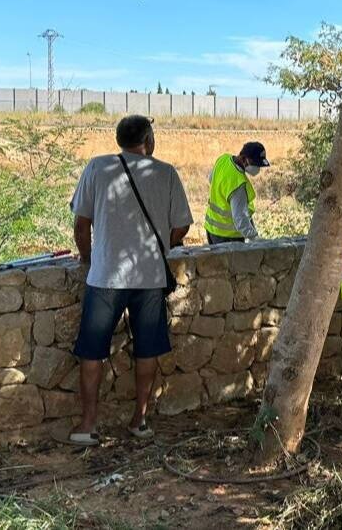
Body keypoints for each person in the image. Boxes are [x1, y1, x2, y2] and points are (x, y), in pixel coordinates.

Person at [69, 115, 192, 445]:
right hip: (150, 277)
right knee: (146, 349)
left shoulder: (97, 168)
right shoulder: (165, 173)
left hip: (105, 276)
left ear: (119, 140)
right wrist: (163, 244)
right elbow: (182, 226)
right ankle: (139, 419)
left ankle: (88, 424)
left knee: (92, 351)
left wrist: (88, 259)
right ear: (149, 140)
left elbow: (81, 225)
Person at [205, 142, 269, 244]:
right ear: (243, 159)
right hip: (228, 237)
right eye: (255, 164)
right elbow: (240, 218)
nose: (257, 169)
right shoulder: (238, 184)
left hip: (211, 230)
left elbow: (210, 179)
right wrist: (254, 238)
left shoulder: (223, 159)